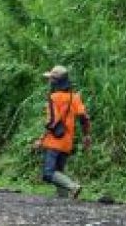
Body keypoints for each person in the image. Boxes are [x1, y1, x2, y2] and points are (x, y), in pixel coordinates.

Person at [35, 65, 92, 199]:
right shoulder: (74, 97)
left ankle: (73, 186)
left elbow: (52, 122)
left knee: (48, 173)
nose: (49, 82)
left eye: (51, 79)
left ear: (56, 82)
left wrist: (41, 140)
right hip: (67, 142)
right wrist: (86, 135)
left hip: (54, 140)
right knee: (58, 172)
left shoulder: (54, 98)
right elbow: (84, 118)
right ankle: (64, 200)